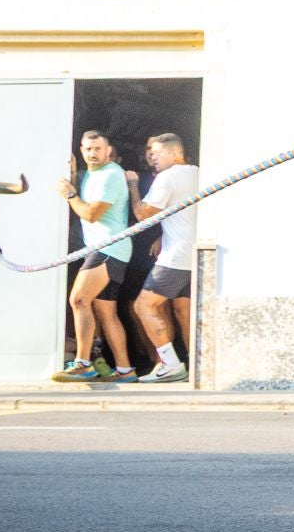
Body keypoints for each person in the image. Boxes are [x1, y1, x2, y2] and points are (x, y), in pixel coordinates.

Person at [52, 130, 136, 382]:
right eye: (88, 149)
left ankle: (83, 363)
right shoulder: (92, 174)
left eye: (98, 149)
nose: (93, 153)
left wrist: (69, 194)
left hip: (108, 249)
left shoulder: (111, 175)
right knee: (105, 311)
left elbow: (90, 214)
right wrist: (75, 177)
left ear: (108, 151)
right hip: (109, 250)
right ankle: (125, 370)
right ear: (81, 149)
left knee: (78, 300)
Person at [131, 134, 198, 384]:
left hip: (175, 256)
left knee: (143, 306)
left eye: (158, 153)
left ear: (174, 154)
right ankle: (196, 363)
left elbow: (143, 214)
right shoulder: (198, 172)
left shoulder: (167, 177)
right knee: (183, 310)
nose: (153, 158)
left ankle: (170, 363)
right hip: (194, 254)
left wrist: (133, 185)